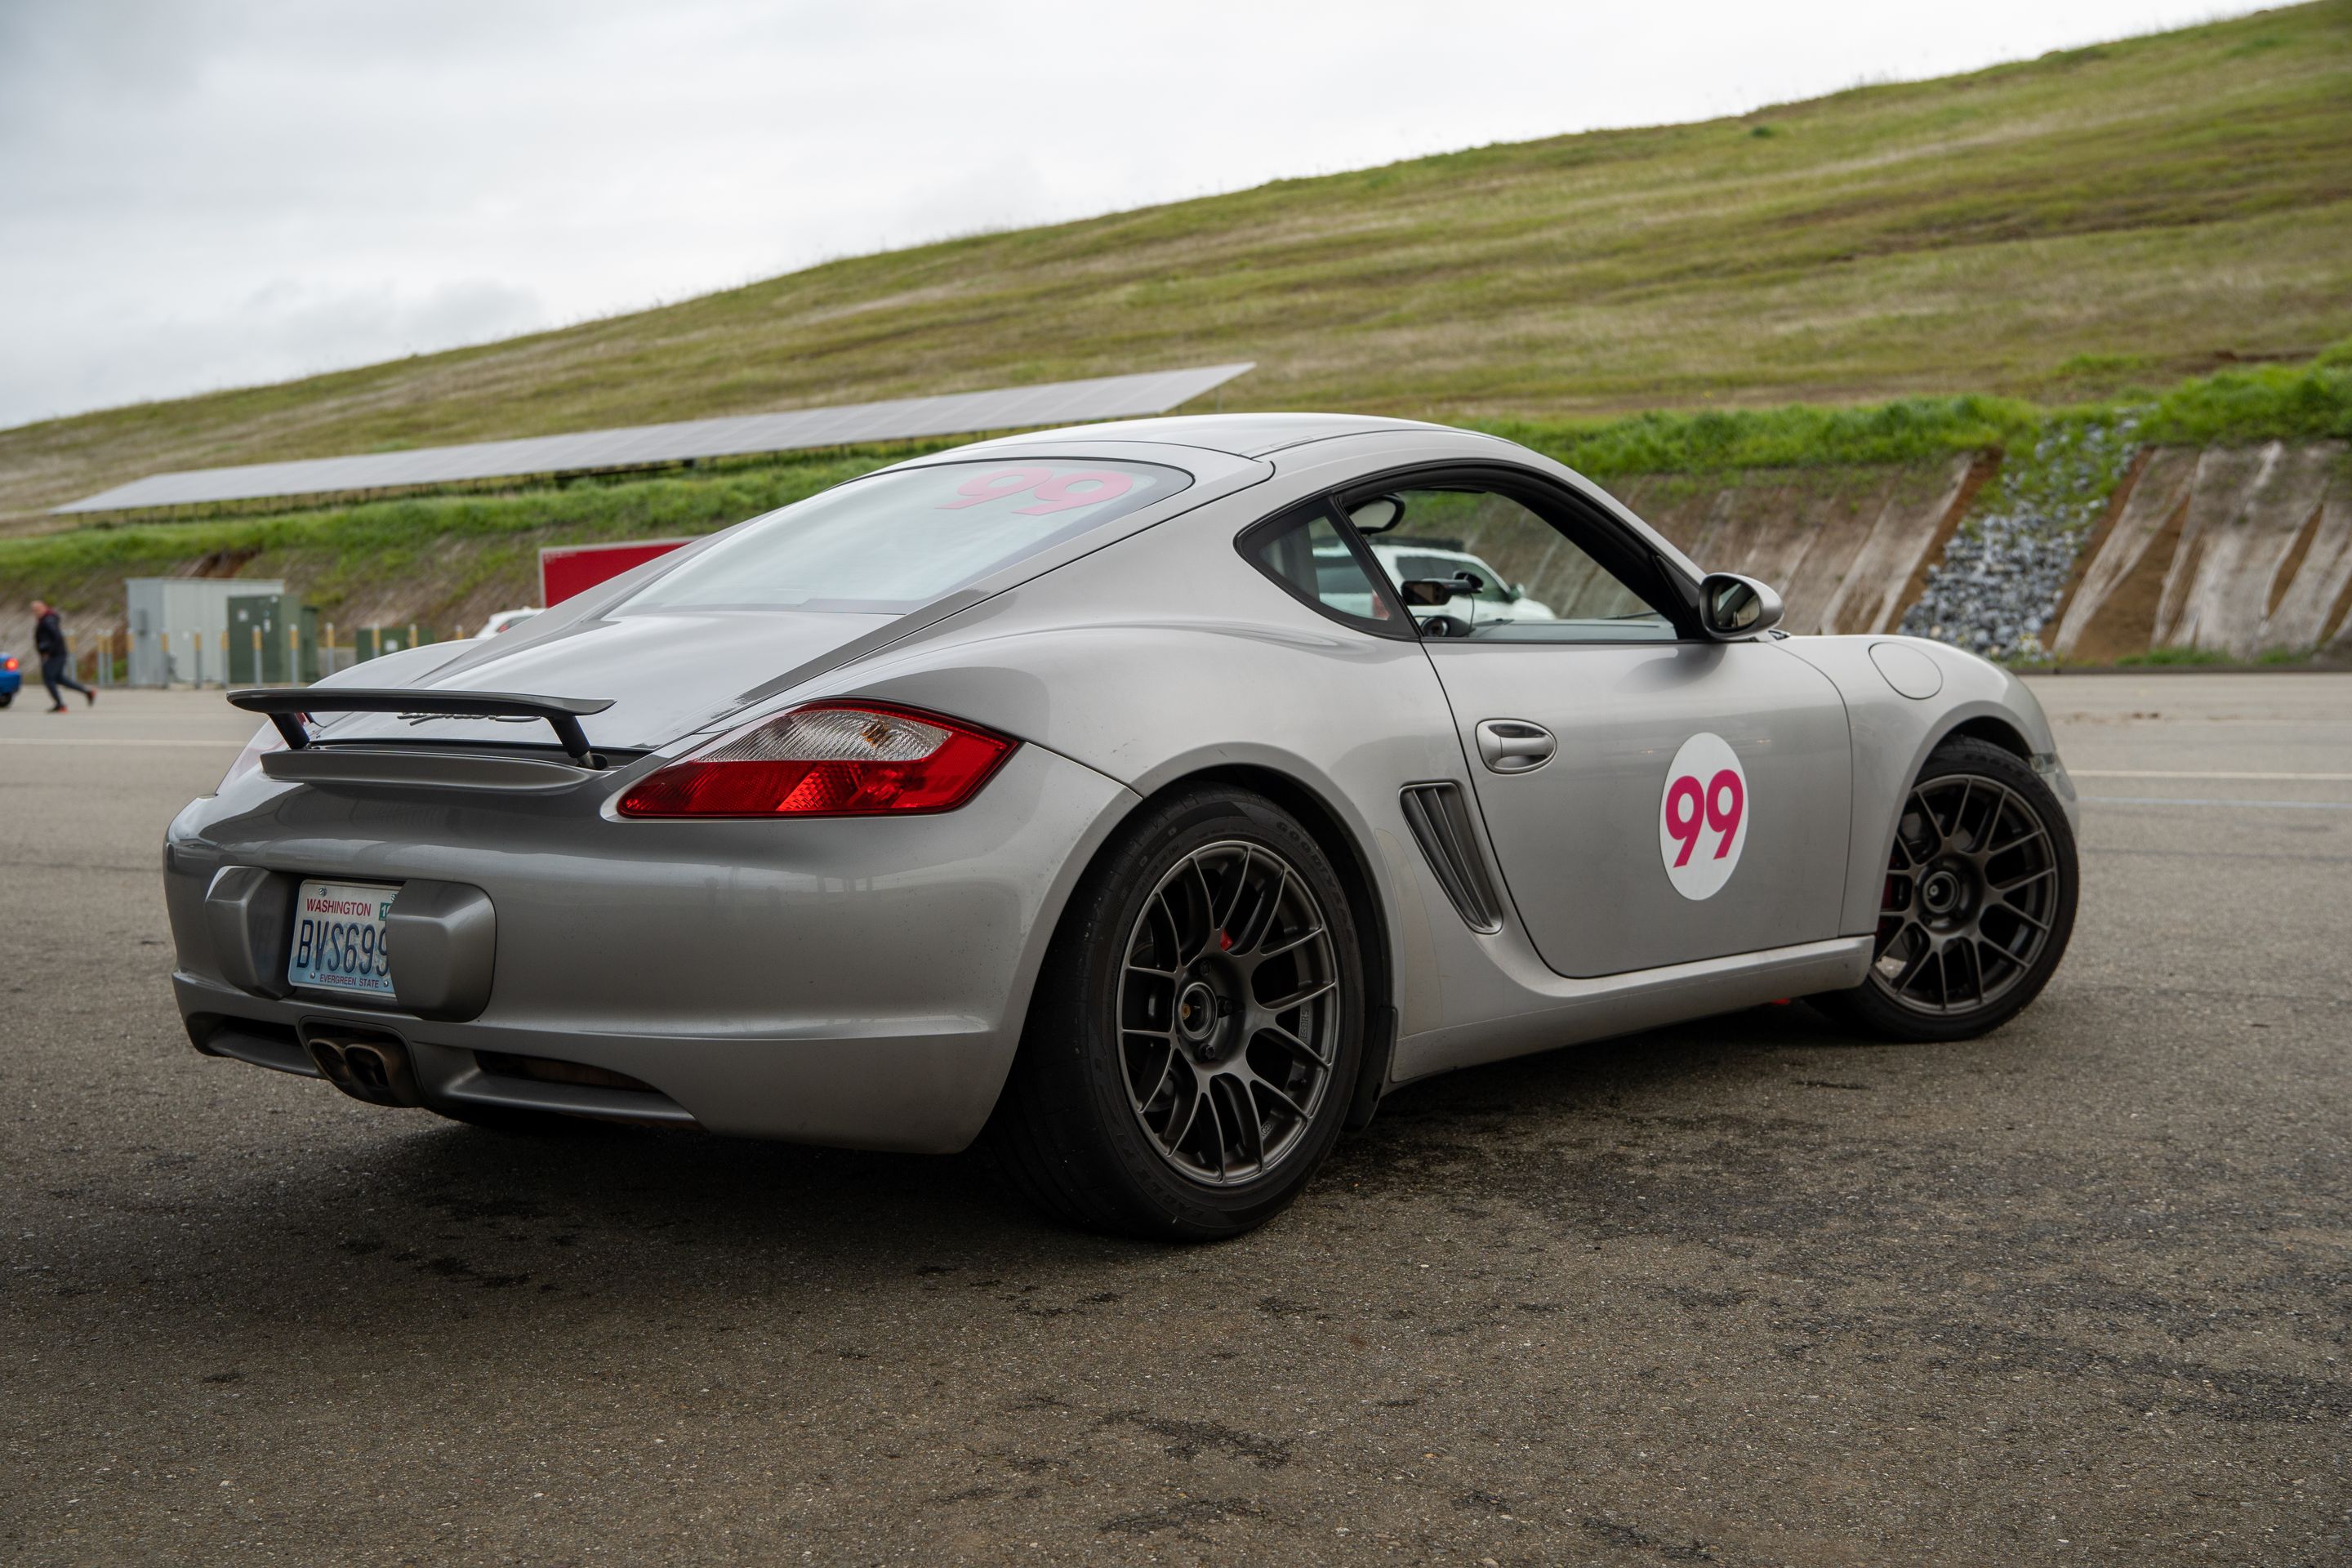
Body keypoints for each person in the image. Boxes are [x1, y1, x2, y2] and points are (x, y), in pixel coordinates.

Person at [30, 599, 96, 712]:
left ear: (45, 607)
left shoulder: (48, 620)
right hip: (57, 653)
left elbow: (57, 637)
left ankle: (60, 705)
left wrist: (48, 653)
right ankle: (87, 692)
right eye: (34, 610)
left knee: (49, 679)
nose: (36, 612)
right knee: (59, 678)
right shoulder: (46, 619)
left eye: (38, 609)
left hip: (54, 655)